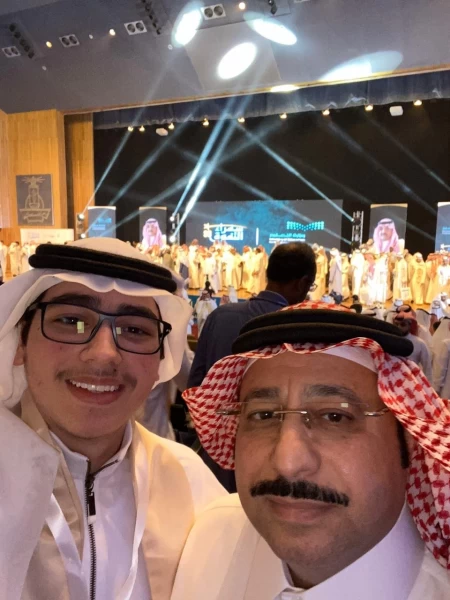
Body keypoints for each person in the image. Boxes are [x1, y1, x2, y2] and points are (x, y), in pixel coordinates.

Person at [173, 302, 450, 600]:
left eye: (335, 417)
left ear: (408, 439)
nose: (288, 462)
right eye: (263, 415)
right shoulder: (211, 540)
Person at [0, 238, 225, 600]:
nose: (104, 354)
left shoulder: (192, 483)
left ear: (159, 363)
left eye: (134, 330)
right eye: (71, 321)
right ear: (21, 342)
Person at [188, 242, 317, 388]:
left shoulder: (219, 316)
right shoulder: (298, 331)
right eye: (310, 286)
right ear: (302, 284)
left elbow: (195, 384)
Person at [392, 307, 432, 381]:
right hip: (393, 381)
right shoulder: (389, 341)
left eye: (403, 325)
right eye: (396, 324)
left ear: (409, 325)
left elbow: (428, 369)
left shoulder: (420, 343)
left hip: (414, 382)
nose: (399, 327)